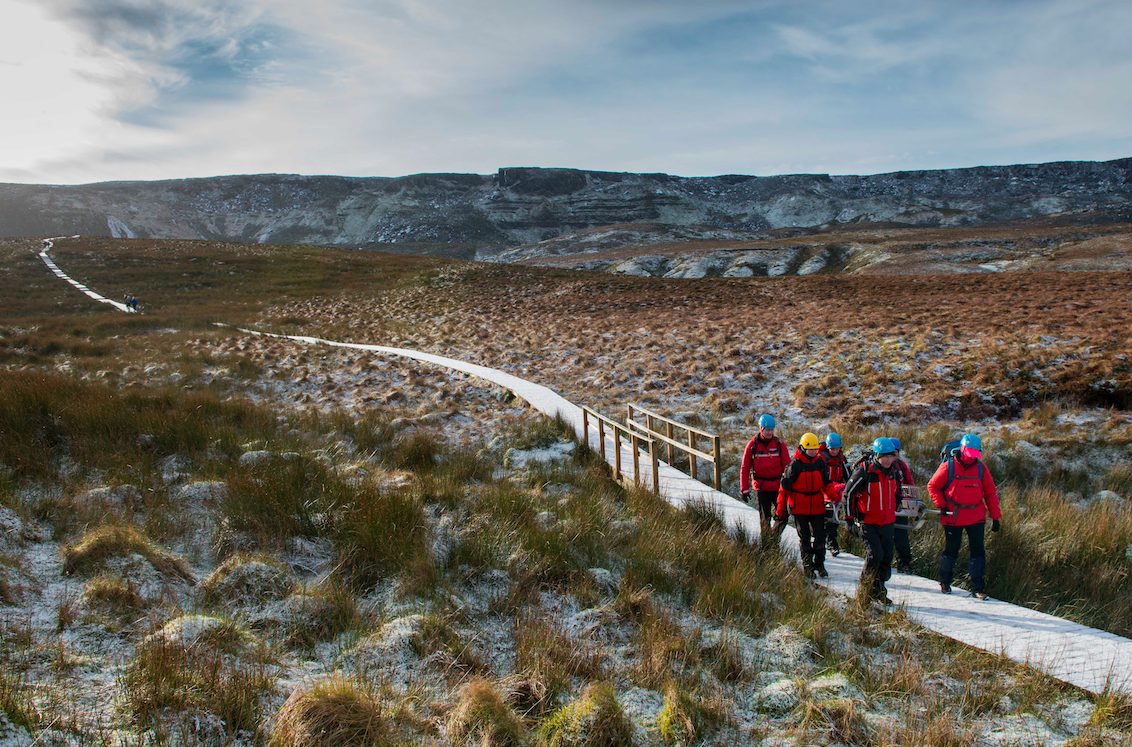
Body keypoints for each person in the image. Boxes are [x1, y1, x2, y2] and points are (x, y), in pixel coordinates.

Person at [927, 433, 1001, 600]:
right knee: (951, 550)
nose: (972, 458)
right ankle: (945, 582)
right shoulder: (948, 466)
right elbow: (933, 486)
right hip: (953, 516)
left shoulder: (981, 468)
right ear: (962, 449)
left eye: (976, 454)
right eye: (970, 454)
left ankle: (977, 588)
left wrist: (995, 517)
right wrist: (941, 505)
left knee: (978, 552)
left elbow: (990, 493)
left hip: (976, 517)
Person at [843, 437, 903, 605]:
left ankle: (878, 590)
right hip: (868, 522)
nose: (888, 460)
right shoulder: (865, 472)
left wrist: (895, 505)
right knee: (874, 555)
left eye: (891, 456)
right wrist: (849, 520)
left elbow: (898, 492)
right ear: (877, 455)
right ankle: (864, 591)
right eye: (885, 456)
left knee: (886, 558)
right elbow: (848, 494)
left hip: (887, 522)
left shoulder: (894, 472)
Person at [775, 433, 842, 578]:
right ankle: (808, 566)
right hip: (800, 508)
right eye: (810, 449)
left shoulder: (819, 463)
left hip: (817, 506)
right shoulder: (794, 466)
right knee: (804, 538)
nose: (813, 452)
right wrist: (780, 511)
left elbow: (827, 484)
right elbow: (784, 490)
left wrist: (835, 498)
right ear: (802, 448)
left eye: (815, 449)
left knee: (820, 537)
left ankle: (820, 564)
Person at [740, 414, 791, 535]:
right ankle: (767, 546)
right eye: (767, 430)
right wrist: (744, 489)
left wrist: (791, 484)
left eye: (772, 430)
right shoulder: (752, 445)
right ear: (761, 428)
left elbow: (788, 466)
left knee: (783, 515)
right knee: (765, 519)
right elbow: (745, 467)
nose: (770, 432)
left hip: (778, 486)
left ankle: (773, 538)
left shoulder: (779, 444)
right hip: (762, 487)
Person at [819, 433, 850, 556]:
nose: (834, 451)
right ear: (827, 447)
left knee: (834, 519)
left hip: (836, 492)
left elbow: (848, 476)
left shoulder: (842, 459)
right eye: (832, 449)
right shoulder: (821, 459)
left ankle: (831, 542)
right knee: (827, 519)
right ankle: (829, 543)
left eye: (837, 449)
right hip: (823, 491)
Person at [891, 438, 916, 573]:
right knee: (885, 536)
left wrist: (910, 501)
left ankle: (904, 563)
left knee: (901, 535)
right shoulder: (879, 467)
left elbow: (909, 483)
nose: (892, 456)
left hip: (900, 505)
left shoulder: (901, 466)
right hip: (884, 506)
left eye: (895, 453)